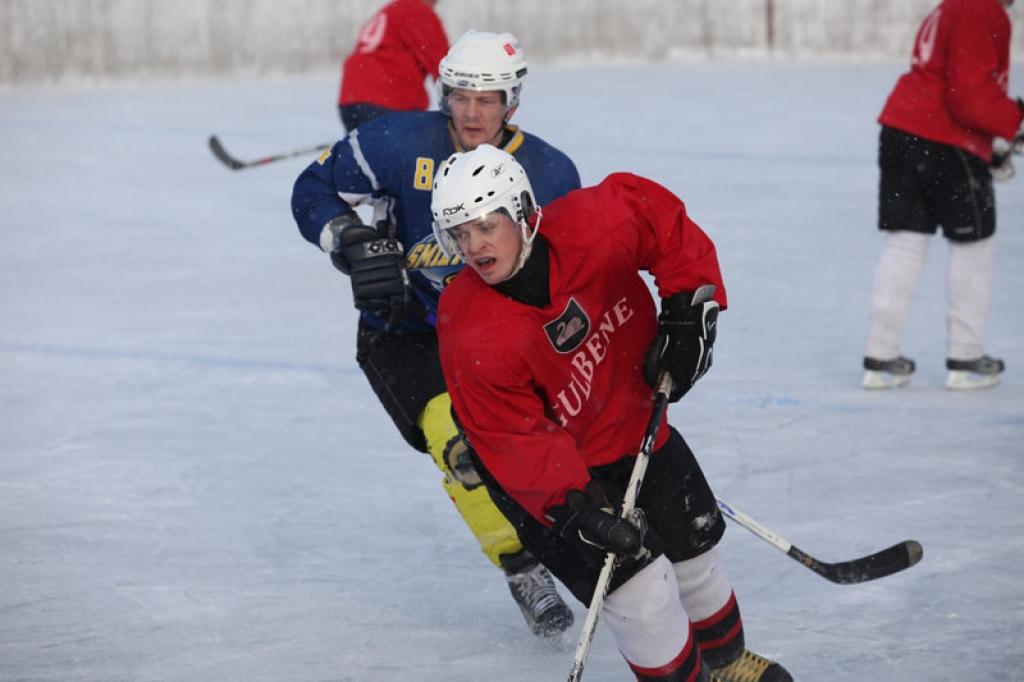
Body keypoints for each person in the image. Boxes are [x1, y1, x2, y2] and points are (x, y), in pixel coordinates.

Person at [432, 144, 791, 681]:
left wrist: (688, 305)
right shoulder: (470, 328)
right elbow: (512, 437)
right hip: (548, 484)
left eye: (486, 226)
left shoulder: (590, 225)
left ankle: (727, 665)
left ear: (525, 212)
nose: (473, 246)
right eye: (459, 234)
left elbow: (659, 220)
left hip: (632, 422)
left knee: (695, 550)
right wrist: (577, 509)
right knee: (642, 598)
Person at [291, 31, 582, 637]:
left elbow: (574, 265)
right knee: (462, 448)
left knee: (549, 442)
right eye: (460, 96)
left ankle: (582, 542)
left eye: (488, 98)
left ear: (513, 102)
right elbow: (312, 189)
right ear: (444, 94)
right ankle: (522, 565)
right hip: (404, 331)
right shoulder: (399, 141)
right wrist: (351, 239)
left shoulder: (551, 172)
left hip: (498, 335)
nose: (472, 112)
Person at [862, 0, 1024, 390]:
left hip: (902, 131)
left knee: (905, 243)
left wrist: (994, 146)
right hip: (944, 142)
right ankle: (965, 358)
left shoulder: (954, 5)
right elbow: (968, 94)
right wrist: (1015, 123)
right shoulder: (982, 10)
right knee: (974, 245)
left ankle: (880, 358)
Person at [336, 0, 449, 131]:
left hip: (352, 98)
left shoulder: (391, 10)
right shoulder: (416, 9)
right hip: (386, 98)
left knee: (365, 148)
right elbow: (444, 64)